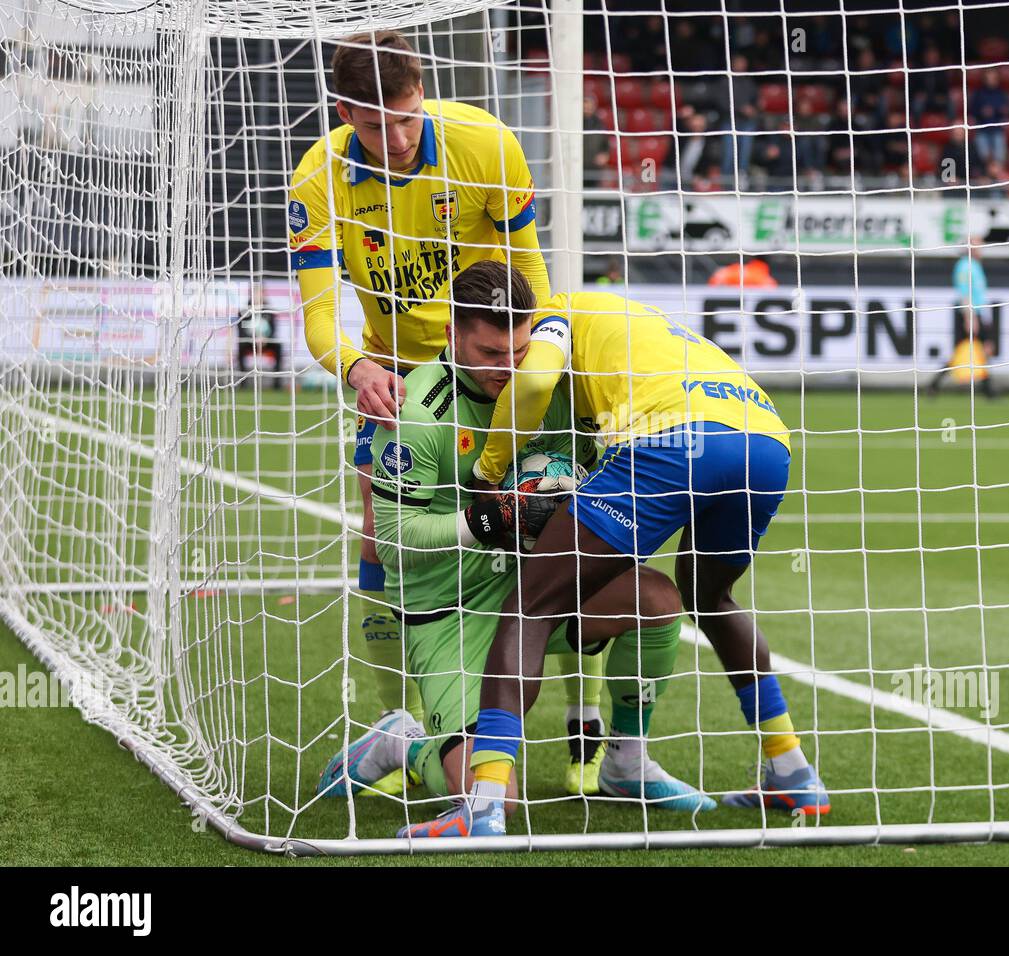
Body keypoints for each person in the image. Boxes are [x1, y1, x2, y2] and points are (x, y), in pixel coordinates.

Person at [287, 29, 604, 797]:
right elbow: (320, 313)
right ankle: (402, 725)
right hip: (396, 375)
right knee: (386, 540)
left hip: (499, 359)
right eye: (372, 124)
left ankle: (586, 730)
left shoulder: (485, 144)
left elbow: (530, 268)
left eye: (405, 117)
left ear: (421, 94)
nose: (394, 139)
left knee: (558, 516)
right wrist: (354, 366)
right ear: (343, 113)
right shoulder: (317, 178)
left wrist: (535, 354)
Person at [407, 287, 831, 838]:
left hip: (677, 438)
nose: (513, 359)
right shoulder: (642, 320)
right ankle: (792, 770)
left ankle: (484, 807)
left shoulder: (558, 310)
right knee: (709, 598)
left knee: (531, 605)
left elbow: (535, 382)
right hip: (766, 440)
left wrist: (490, 474)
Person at [314, 263, 709, 820]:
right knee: (491, 801)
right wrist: (486, 520)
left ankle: (626, 760)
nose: (509, 367)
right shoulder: (417, 413)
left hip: (533, 586)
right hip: (448, 608)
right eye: (491, 353)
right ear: (451, 335)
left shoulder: (552, 389)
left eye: (519, 350)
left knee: (659, 601)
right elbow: (397, 544)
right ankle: (399, 743)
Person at [929, 238, 996, 398]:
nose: (981, 249)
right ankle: (988, 392)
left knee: (981, 350)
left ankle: (987, 390)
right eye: (978, 246)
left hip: (977, 312)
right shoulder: (965, 266)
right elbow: (965, 293)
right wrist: (969, 317)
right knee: (969, 351)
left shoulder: (975, 265)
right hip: (969, 313)